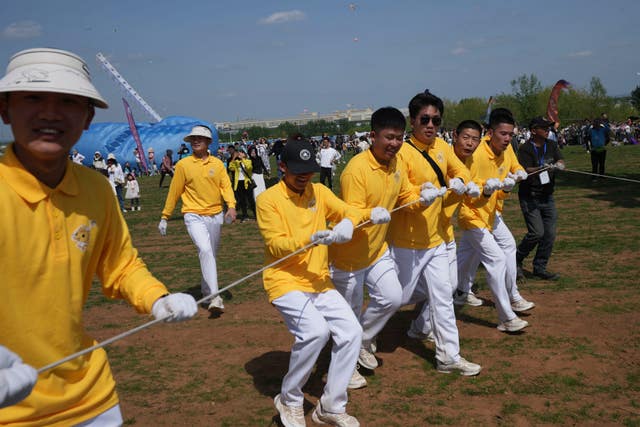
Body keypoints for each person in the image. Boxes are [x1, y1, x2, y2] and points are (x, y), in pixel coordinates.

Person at [0, 46, 197, 425]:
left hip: (91, 397)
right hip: (12, 410)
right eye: (33, 98)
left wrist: (158, 298)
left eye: (69, 102)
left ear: (88, 116)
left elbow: (120, 266)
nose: (50, 113)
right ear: (5, 109)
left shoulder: (97, 189)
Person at [257, 137, 370, 427]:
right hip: (284, 280)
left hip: (319, 280)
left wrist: (359, 219)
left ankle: (331, 406)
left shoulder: (318, 191)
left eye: (308, 169)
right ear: (282, 167)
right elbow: (276, 244)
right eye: (297, 170)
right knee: (315, 333)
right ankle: (289, 399)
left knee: (352, 333)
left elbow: (349, 212)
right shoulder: (268, 200)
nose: (304, 176)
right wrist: (309, 239)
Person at [329, 107, 433, 386]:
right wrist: (369, 214)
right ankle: (345, 367)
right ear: (373, 136)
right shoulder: (356, 171)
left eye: (399, 138)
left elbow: (405, 193)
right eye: (389, 138)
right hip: (349, 256)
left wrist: (423, 196)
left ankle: (361, 341)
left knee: (393, 297)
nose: (395, 144)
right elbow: (351, 214)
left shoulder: (396, 164)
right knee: (347, 317)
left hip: (377, 250)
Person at [389, 90, 481, 375]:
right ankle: (361, 339)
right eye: (425, 119)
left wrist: (460, 182)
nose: (430, 125)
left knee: (443, 294)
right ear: (412, 121)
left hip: (438, 238)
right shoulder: (401, 154)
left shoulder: (442, 147)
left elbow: (461, 170)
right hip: (408, 240)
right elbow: (402, 195)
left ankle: (448, 356)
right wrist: (422, 194)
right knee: (395, 298)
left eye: (436, 120)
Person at [456, 110, 531, 332]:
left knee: (465, 257)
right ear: (490, 133)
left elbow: (514, 168)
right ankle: (506, 314)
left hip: (490, 213)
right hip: (471, 214)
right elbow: (467, 189)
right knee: (497, 259)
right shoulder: (476, 154)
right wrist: (486, 191)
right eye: (503, 134)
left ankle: (460, 291)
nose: (508, 139)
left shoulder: (506, 151)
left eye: (511, 134)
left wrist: (516, 177)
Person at [159, 125, 237, 314]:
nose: (196, 141)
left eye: (200, 138)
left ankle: (205, 288)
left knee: (210, 254)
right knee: (204, 249)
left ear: (208, 142)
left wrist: (232, 206)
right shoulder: (184, 165)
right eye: (193, 138)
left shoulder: (217, 164)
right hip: (193, 215)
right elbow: (174, 191)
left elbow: (225, 186)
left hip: (216, 215)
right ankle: (214, 297)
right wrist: (165, 216)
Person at [516, 116, 565, 281]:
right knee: (536, 233)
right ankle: (516, 260)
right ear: (534, 130)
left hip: (547, 196)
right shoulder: (525, 149)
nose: (547, 130)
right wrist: (540, 168)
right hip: (530, 196)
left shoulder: (551, 144)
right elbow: (524, 169)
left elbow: (560, 159)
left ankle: (540, 267)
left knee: (549, 235)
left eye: (548, 127)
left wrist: (560, 165)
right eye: (544, 128)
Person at [228, 149, 256, 221]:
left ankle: (256, 214)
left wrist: (243, 159)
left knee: (251, 200)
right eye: (239, 153)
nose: (239, 154)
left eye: (241, 153)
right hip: (239, 183)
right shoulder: (237, 162)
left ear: (244, 154)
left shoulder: (248, 161)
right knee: (242, 200)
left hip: (246, 182)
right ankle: (245, 215)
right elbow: (230, 168)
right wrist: (233, 158)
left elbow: (249, 167)